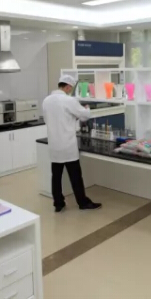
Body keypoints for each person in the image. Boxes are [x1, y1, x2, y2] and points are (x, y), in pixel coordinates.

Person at [42, 75, 101, 212]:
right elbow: (85, 116)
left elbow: (48, 120)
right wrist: (87, 108)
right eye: (71, 88)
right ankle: (82, 203)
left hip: (54, 145)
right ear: (68, 86)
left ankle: (58, 204)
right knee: (75, 176)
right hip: (67, 145)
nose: (71, 91)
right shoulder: (69, 100)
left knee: (56, 176)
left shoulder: (46, 100)